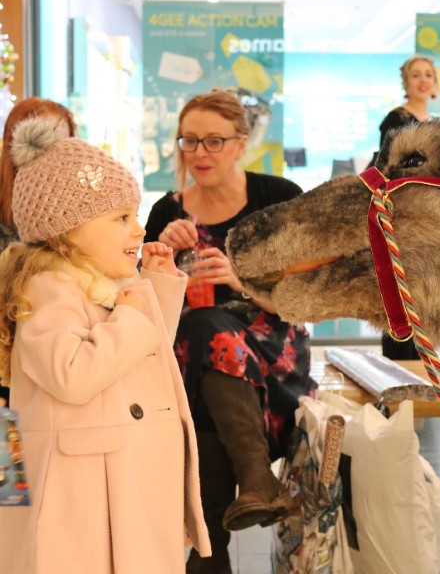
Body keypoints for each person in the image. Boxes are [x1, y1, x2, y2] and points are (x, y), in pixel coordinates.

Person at [0, 116, 211, 573]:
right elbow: (73, 374)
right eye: (120, 218)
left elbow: (142, 356)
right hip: (81, 493)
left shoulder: (104, 281)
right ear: (64, 229)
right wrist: (137, 307)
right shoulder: (47, 287)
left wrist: (156, 285)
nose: (137, 230)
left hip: (120, 476)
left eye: (134, 216)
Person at [144, 89, 315, 574]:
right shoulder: (167, 212)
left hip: (273, 355)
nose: (199, 153)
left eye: (214, 141)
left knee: (206, 333)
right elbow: (145, 310)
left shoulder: (277, 199)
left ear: (242, 144)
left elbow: (309, 294)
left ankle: (208, 555)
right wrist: (162, 262)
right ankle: (256, 477)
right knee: (202, 336)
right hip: (195, 362)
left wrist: (241, 282)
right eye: (189, 141)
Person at [0, 97, 77, 407]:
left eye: (60, 141)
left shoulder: (78, 207)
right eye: (38, 137)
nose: (47, 151)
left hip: (60, 347)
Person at [371, 55, 438, 360]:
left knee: (426, 300)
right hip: (403, 219)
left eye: (428, 74)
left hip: (430, 222)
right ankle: (399, 376)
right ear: (406, 83)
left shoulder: (435, 125)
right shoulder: (397, 120)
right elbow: (389, 169)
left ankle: (423, 378)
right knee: (400, 298)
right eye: (416, 75)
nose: (423, 80)